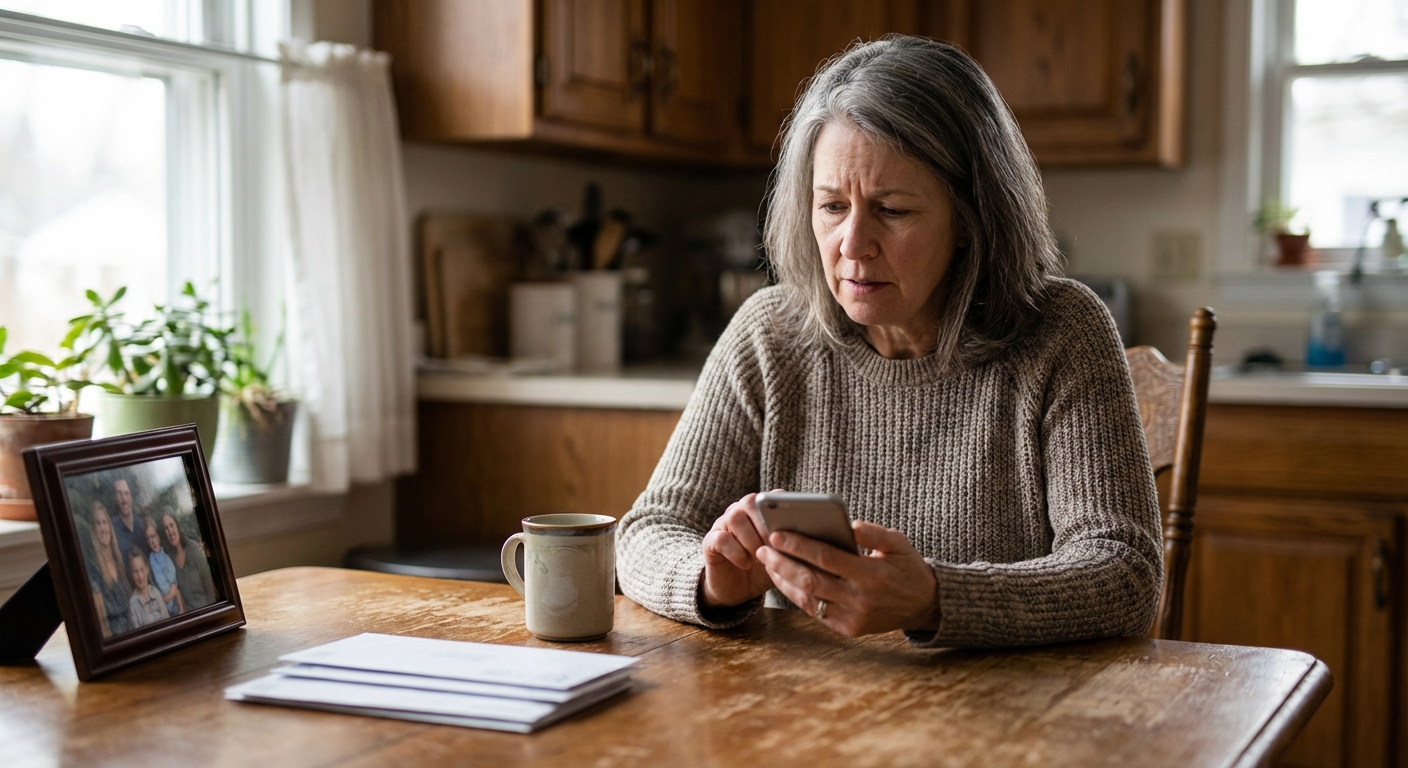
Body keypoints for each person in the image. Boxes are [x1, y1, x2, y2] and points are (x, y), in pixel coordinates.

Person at [615, 36, 1163, 649]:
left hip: (1011, 721)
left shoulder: (1062, 332)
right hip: (805, 713)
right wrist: (710, 580)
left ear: (971, 218)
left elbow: (1125, 573)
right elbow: (647, 531)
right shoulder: (769, 334)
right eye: (830, 206)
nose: (852, 244)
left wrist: (934, 598)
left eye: (893, 210)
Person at [85, 501, 133, 639]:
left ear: (109, 526)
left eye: (104, 522)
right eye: (98, 524)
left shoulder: (119, 560)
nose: (103, 528)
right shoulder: (92, 567)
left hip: (132, 628)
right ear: (93, 530)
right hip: (114, 636)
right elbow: (100, 619)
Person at [162, 511, 216, 612]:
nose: (170, 531)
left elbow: (210, 588)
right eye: (166, 528)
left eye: (171, 525)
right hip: (189, 617)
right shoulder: (170, 559)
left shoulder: (194, 549)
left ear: (177, 526)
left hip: (206, 610)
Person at [143, 515, 183, 615]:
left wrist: (181, 610)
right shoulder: (149, 563)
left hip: (176, 607)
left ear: (158, 536)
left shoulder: (167, 557)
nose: (152, 541)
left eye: (153, 536)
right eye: (148, 539)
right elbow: (154, 597)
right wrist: (170, 594)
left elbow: (175, 588)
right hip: (162, 611)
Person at [126, 546, 170, 629]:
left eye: (142, 570)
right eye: (135, 571)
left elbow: (167, 619)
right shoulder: (133, 603)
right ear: (131, 574)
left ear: (147, 569)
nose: (140, 576)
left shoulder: (155, 592)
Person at [109, 478, 144, 559]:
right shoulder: (112, 530)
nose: (123, 498)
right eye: (119, 494)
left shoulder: (141, 525)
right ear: (115, 499)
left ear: (131, 497)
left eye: (126, 493)